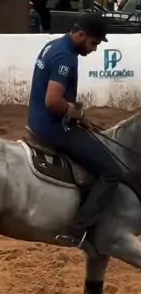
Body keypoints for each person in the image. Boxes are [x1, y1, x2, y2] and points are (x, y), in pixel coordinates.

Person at [28, 13, 127, 249]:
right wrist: (78, 113)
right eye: (93, 43)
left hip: (39, 119)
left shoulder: (54, 45)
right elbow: (53, 101)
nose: (94, 49)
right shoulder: (66, 57)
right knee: (111, 172)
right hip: (53, 127)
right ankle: (78, 229)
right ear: (81, 35)